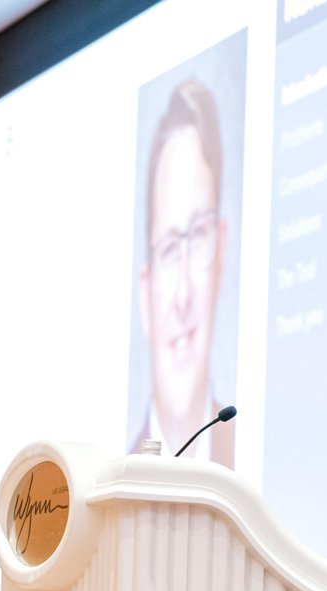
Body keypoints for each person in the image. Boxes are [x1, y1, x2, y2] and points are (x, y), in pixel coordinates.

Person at [131, 79, 234, 466]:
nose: (183, 296)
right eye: (171, 249)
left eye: (199, 235)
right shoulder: (108, 485)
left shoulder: (250, 463)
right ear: (145, 293)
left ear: (220, 255)